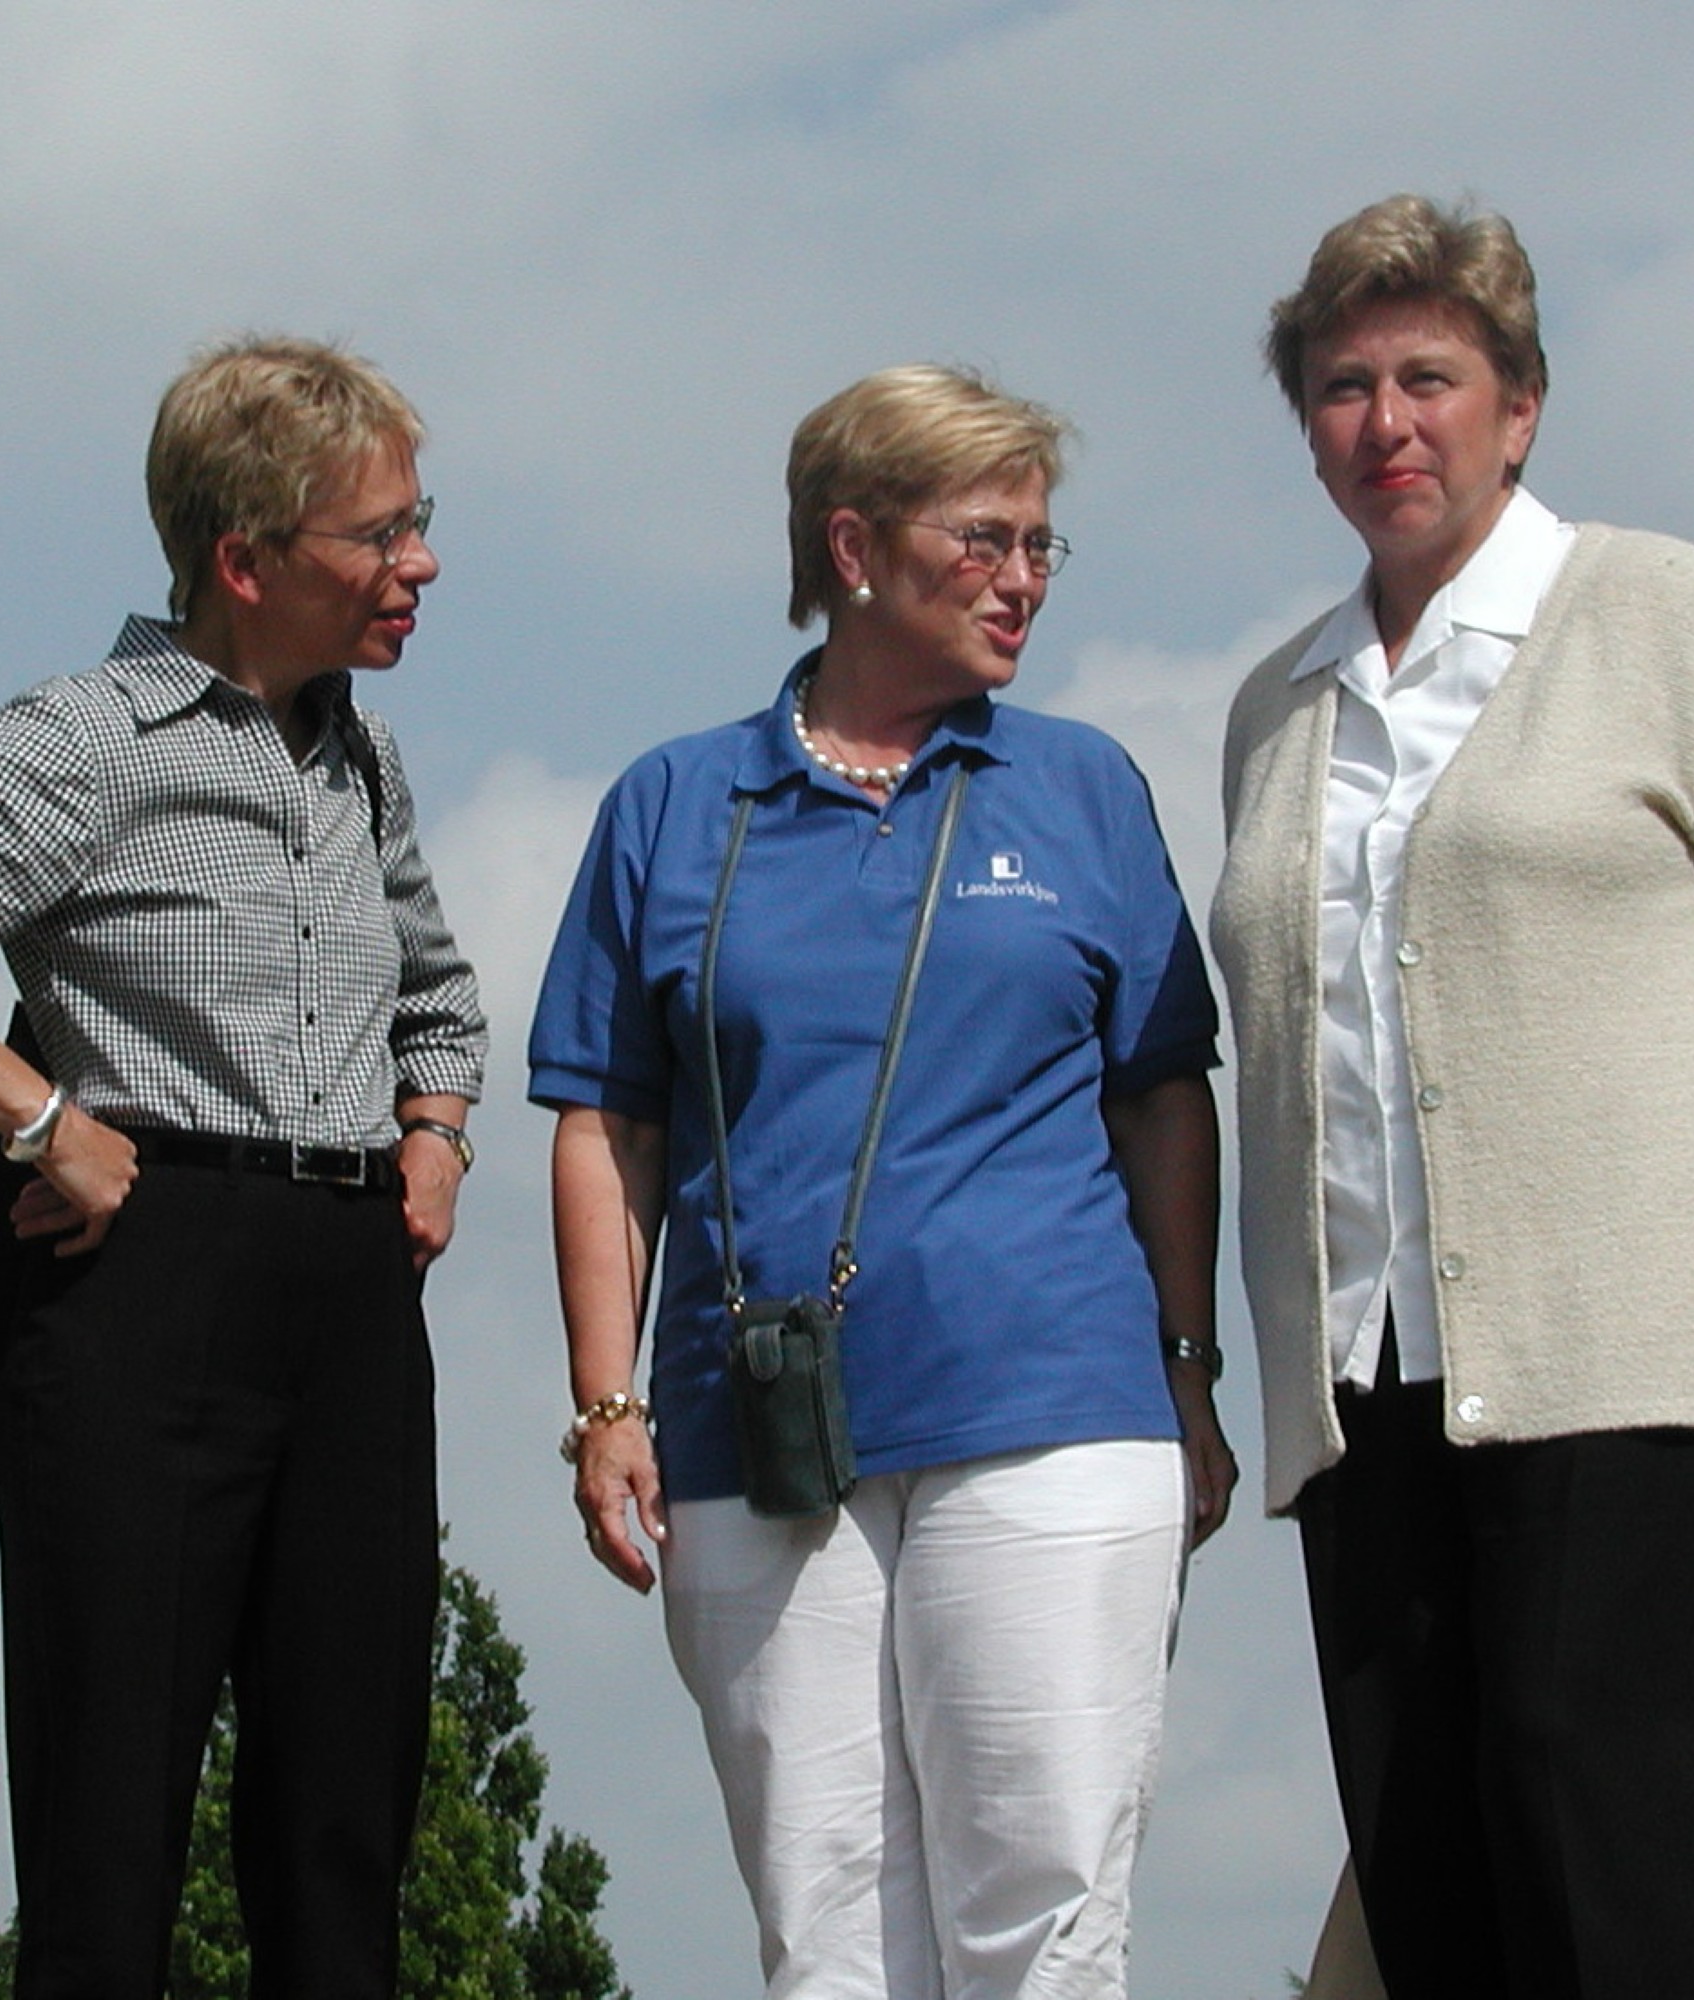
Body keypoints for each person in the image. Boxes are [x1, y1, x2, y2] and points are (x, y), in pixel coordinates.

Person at [1207, 196, 1694, 2000]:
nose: (1387, 421)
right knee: (1430, 1885)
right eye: (1344, 386)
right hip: (1362, 1401)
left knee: (1602, 1846)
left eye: (1430, 377)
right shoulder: (1276, 711)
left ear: (1520, 405)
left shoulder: (1660, 613)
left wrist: (1693, 1255)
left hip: (1640, 1373)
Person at [0, 336, 485, 1999]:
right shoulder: (88, 739)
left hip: (356, 1303)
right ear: (246, 559)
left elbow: (438, 997)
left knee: (347, 1831)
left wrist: (435, 1136)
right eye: (380, 533)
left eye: (418, 522)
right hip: (147, 1282)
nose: (419, 562)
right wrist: (38, 1122)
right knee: (106, 1837)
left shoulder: (360, 760)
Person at [530, 363, 1236, 1999]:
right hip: (757, 1431)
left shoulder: (1081, 786)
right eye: (984, 538)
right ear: (852, 548)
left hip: (1054, 1407)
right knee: (827, 1919)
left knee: (1043, 1909)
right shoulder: (673, 805)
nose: (1023, 578)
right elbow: (610, 1126)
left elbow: (1162, 1098)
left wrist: (1190, 1368)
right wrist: (605, 1403)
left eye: (1043, 545)